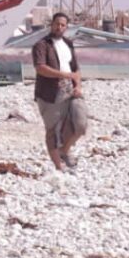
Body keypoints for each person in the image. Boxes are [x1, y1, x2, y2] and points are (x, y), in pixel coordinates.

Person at [32, 12, 86, 170]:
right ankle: (59, 166)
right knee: (52, 130)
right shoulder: (42, 45)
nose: (59, 27)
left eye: (63, 25)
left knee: (80, 123)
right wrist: (64, 75)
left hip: (70, 89)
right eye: (57, 24)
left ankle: (65, 150)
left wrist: (78, 85)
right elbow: (40, 68)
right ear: (51, 24)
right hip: (49, 93)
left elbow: (75, 69)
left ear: (66, 27)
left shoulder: (68, 44)